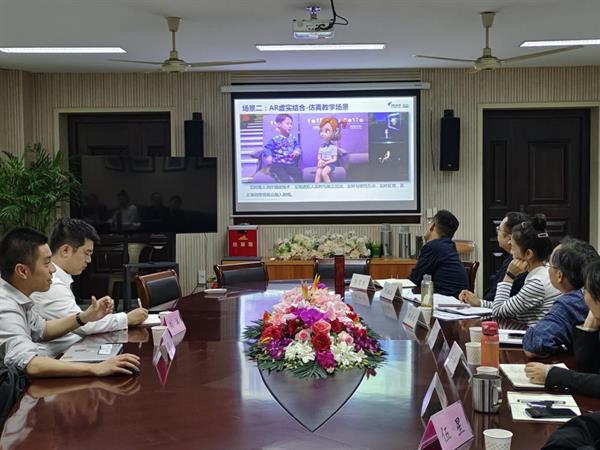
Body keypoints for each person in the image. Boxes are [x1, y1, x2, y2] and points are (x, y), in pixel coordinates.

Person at [0, 228, 140, 377]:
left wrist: (84, 317)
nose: (53, 269)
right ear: (22, 271)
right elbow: (30, 364)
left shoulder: (19, 295)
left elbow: (43, 330)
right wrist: (95, 368)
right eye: (47, 263)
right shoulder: (5, 307)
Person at [31, 219, 149, 356]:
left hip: (72, 349)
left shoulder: (59, 279)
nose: (89, 260)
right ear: (65, 250)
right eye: (86, 253)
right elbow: (84, 326)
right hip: (58, 357)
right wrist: (126, 318)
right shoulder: (51, 283)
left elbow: (80, 321)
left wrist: (94, 313)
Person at [461, 214, 560, 326]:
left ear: (528, 253)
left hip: (531, 335)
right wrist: (479, 303)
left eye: (513, 247)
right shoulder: (544, 272)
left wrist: (509, 276)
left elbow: (498, 312)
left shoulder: (537, 283)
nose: (511, 253)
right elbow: (505, 307)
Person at [525, 259, 600, 397]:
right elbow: (588, 370)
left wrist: (554, 375)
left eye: (586, 290)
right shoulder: (594, 316)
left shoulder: (569, 301)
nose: (583, 297)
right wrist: (589, 327)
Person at [522, 238, 598, 357]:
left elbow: (534, 346)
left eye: (549, 264)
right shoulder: (587, 294)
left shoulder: (570, 303)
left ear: (559, 275)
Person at [459, 211, 529, 305]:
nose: (497, 233)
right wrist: (475, 300)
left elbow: (500, 307)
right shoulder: (510, 258)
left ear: (510, 238)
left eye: (499, 229)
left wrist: (479, 303)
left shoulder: (519, 265)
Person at [409, 210, 469, 297]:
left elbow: (415, 279)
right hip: (458, 299)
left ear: (432, 226)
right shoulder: (449, 245)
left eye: (429, 223)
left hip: (446, 300)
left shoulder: (433, 247)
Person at [263, 114, 302, 183]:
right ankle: (272, 171)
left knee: (298, 175)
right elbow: (267, 148)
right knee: (285, 179)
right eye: (287, 123)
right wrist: (269, 156)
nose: (290, 126)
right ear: (279, 125)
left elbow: (297, 146)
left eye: (291, 124)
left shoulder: (292, 138)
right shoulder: (275, 139)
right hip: (278, 164)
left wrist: (296, 151)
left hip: (290, 163)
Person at [314, 117, 346, 183]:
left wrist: (326, 162)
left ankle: (329, 187)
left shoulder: (333, 147)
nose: (322, 134)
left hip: (330, 165)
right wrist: (320, 160)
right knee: (318, 172)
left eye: (326, 131)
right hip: (322, 164)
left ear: (334, 133)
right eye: (321, 131)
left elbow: (334, 159)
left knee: (324, 173)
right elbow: (319, 156)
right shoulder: (322, 146)